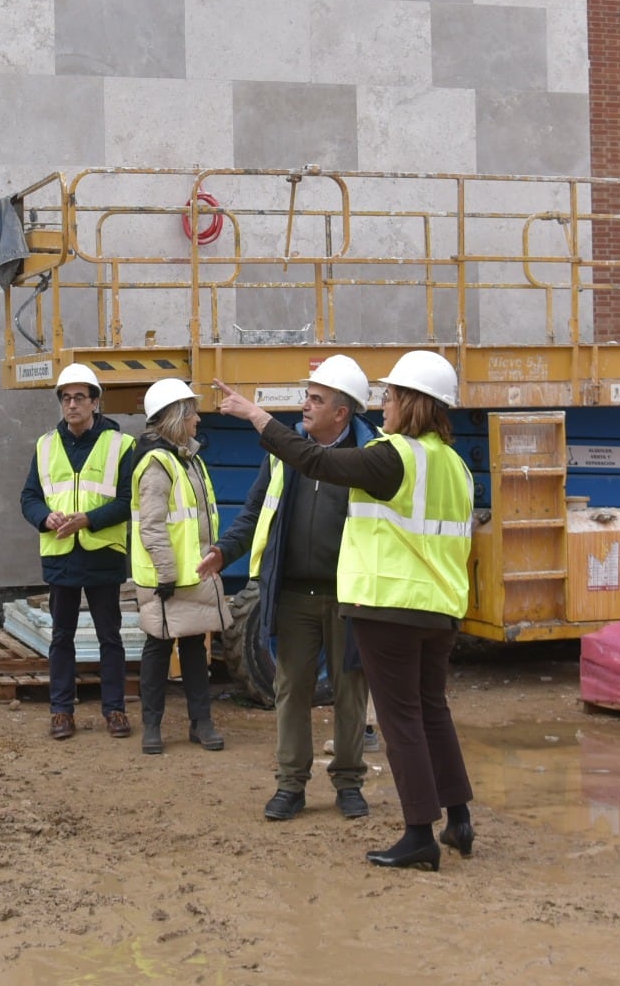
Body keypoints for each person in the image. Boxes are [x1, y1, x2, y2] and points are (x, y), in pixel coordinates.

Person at [212, 352, 476, 870]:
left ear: (414, 404)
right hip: (439, 607)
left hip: (390, 607)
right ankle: (459, 818)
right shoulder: (455, 465)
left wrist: (257, 417)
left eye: (392, 397)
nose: (385, 406)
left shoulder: (392, 456)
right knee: (432, 715)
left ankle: (419, 832)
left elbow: (317, 462)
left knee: (400, 721)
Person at [204, 355, 379, 822]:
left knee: (350, 691)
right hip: (294, 595)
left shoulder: (371, 458)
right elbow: (254, 511)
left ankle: (348, 782)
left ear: (342, 413)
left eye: (316, 399)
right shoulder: (284, 455)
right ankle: (290, 785)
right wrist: (225, 551)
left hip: (350, 596)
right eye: (308, 395)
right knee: (291, 689)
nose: (305, 405)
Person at [16, 363, 135, 741]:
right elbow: (29, 496)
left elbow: (127, 501)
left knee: (109, 637)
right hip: (61, 553)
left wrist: (88, 520)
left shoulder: (121, 444)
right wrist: (44, 518)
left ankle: (114, 709)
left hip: (102, 552)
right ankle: (61, 711)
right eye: (66, 398)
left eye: (79, 397)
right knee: (61, 636)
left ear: (96, 402)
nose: (72, 405)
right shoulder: (45, 444)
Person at [128, 378, 228, 756]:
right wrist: (167, 575)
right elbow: (152, 526)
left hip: (193, 573)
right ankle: (152, 727)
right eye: (193, 412)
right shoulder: (158, 463)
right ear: (176, 417)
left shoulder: (188, 458)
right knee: (157, 650)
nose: (199, 420)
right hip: (167, 577)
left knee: (193, 651)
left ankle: (201, 723)